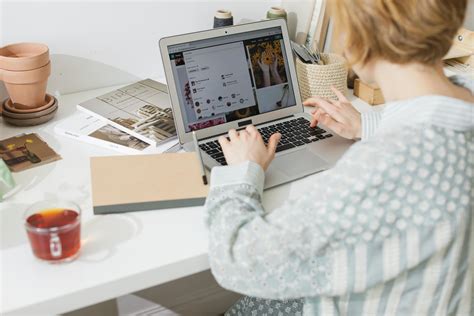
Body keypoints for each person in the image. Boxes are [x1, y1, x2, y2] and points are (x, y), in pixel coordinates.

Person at [205, 0, 473, 315]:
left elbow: (239, 261)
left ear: (359, 39)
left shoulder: (388, 165)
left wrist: (242, 173)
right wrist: (367, 124)